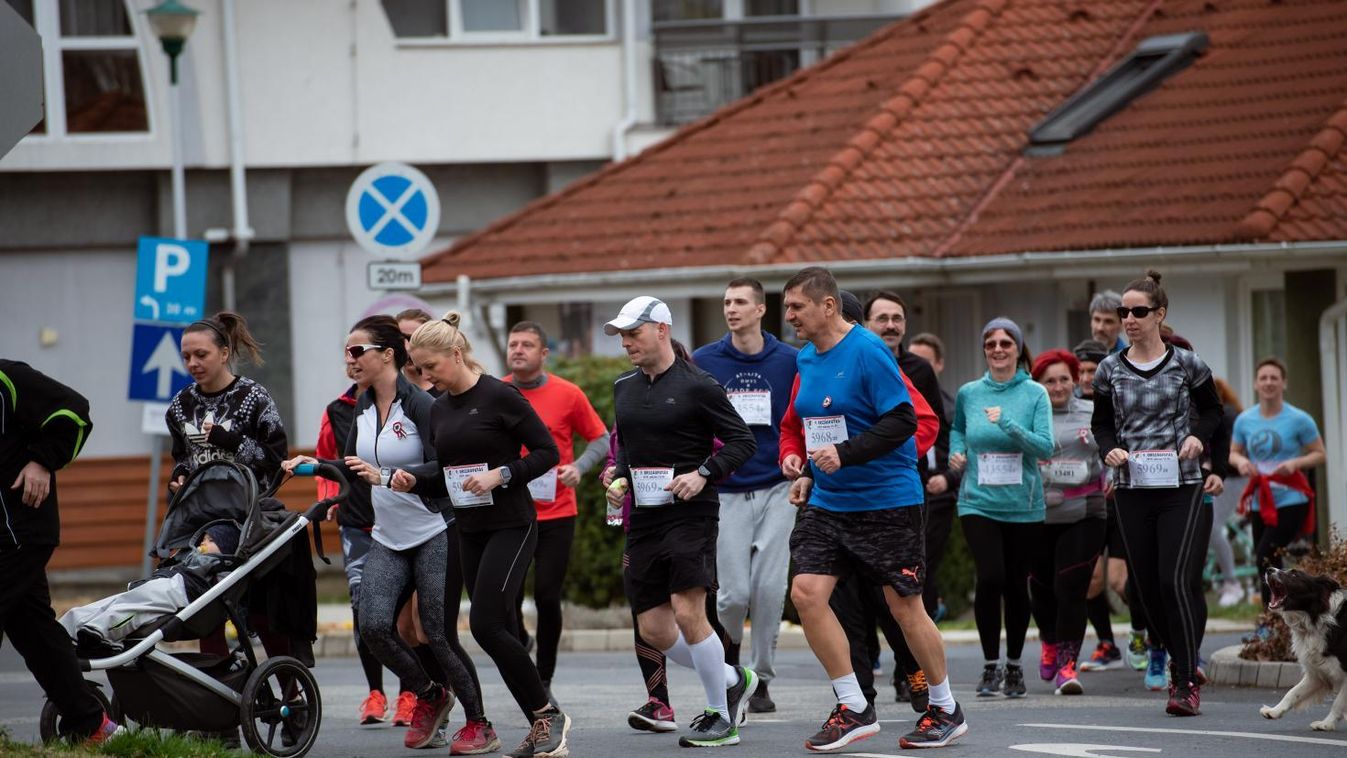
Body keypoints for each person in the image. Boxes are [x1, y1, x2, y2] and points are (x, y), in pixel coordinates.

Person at [285, 315, 493, 754]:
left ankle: (479, 724)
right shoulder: (361, 405)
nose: (350, 359)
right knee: (374, 626)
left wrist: (399, 475)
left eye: (357, 351)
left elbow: (445, 469)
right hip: (388, 536)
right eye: (346, 352)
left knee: (437, 632)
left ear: (387, 355)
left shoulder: (421, 405)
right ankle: (430, 695)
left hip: (435, 530)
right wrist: (314, 466)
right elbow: (359, 466)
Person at [782, 267, 965, 751]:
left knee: (904, 608)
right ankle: (854, 705)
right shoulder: (806, 358)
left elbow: (904, 419)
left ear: (827, 306)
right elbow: (816, 428)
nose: (789, 317)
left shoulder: (868, 351)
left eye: (796, 307)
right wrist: (804, 471)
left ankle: (945, 706)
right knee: (806, 593)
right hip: (829, 502)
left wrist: (845, 454)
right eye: (787, 308)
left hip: (887, 502)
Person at [397, 312, 570, 758]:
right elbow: (447, 472)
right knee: (495, 628)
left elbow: (547, 452)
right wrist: (411, 478)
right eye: (418, 369)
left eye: (431, 366)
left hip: (512, 523)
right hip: (468, 527)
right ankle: (541, 721)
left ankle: (547, 715)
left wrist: (503, 475)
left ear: (456, 354)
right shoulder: (438, 409)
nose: (426, 376)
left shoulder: (500, 396)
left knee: (486, 625)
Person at [602, 296, 758, 748]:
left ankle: (719, 715)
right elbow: (628, 445)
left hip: (692, 512)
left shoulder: (698, 384)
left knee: (689, 611)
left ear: (662, 330)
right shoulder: (623, 386)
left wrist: (703, 473)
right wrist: (621, 477)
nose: (627, 342)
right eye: (623, 336)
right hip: (645, 517)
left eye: (634, 333)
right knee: (653, 628)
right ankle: (733, 677)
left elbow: (742, 441)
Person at [1091, 270, 1223, 716]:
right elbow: (1102, 424)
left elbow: (1213, 411)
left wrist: (1198, 439)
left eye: (1138, 312)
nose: (1128, 319)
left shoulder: (1187, 363)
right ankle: (1181, 657)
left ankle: (1183, 679)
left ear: (1159, 315)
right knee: (1144, 590)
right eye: (1122, 312)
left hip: (1181, 486)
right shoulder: (1110, 370)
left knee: (1173, 580)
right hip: (1131, 487)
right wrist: (1109, 449)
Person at [692, 278, 798, 714]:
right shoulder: (705, 360)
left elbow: (803, 415)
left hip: (777, 486)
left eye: (740, 302)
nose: (731, 309)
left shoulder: (791, 360)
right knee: (732, 594)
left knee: (770, 589)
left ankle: (763, 678)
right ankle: (734, 662)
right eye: (726, 302)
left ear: (760, 310)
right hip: (728, 489)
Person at [0, 359, 119, 745]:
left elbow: (73, 411)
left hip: (21, 530)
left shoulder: (8, 378)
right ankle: (92, 725)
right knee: (33, 630)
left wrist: (41, 460)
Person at [502, 320, 611, 701]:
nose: (518, 350)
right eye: (513, 344)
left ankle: (543, 676)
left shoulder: (567, 394)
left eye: (527, 345)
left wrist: (578, 468)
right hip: (508, 514)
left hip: (556, 512)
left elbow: (600, 437)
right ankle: (521, 638)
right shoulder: (496, 393)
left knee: (547, 595)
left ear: (544, 353)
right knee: (505, 600)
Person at [948, 317, 1053, 699]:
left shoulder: (1035, 394)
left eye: (1005, 343)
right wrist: (958, 452)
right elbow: (958, 428)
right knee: (990, 577)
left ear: (1017, 349)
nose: (997, 349)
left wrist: (1009, 424)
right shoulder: (970, 393)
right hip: (977, 500)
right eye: (990, 343)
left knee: (1015, 584)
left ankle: (1014, 665)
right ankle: (990, 666)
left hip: (1023, 504)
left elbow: (1044, 447)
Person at [1027, 350, 1106, 696]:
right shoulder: (1029, 414)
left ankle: (1067, 665)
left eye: (1064, 379)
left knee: (1071, 587)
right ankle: (1049, 641)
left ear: (1075, 380)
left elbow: (1112, 449)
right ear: (1038, 384)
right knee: (1041, 588)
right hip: (1037, 515)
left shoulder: (1092, 412)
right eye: (1050, 381)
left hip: (1085, 512)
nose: (1058, 386)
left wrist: (1114, 472)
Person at [1230, 357, 1325, 610]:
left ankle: (1272, 618)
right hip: (1262, 500)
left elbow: (1320, 453)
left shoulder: (1299, 419)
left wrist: (1295, 464)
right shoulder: (1245, 420)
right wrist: (1240, 462)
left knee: (1265, 556)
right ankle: (1278, 618)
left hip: (1292, 498)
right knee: (1267, 559)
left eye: (1274, 378)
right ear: (1255, 384)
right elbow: (1233, 452)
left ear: (1284, 383)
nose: (1269, 382)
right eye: (1263, 378)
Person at [1071, 338, 1139, 672]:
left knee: (1118, 579)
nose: (1085, 377)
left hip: (1120, 501)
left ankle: (1145, 630)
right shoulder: (1066, 407)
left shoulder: (1120, 400)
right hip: (1085, 504)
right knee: (1092, 579)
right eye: (1080, 371)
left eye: (1091, 370)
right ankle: (1107, 643)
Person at [60, 522, 241, 647]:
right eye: (204, 539)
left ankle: (99, 631)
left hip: (182, 591)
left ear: (226, 550)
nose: (203, 542)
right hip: (169, 582)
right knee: (119, 600)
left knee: (135, 608)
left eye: (211, 540)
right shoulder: (196, 557)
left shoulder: (221, 568)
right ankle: (69, 625)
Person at [167, 312, 288, 496]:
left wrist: (230, 441)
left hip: (248, 512)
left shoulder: (254, 396)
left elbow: (277, 459)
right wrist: (180, 474)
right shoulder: (179, 405)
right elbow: (182, 457)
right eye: (186, 357)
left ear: (224, 354)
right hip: (198, 511)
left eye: (201, 354)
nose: (192, 363)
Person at [907, 332, 961, 626]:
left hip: (937, 494)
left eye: (924, 362)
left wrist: (949, 478)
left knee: (923, 566)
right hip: (905, 491)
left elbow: (962, 452)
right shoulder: (894, 400)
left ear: (938, 365)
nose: (918, 368)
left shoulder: (949, 407)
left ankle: (925, 631)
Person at [1209, 377, 1248, 608]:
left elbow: (1231, 449)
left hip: (1234, 478)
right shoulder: (1218, 413)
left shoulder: (1228, 414)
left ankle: (1232, 582)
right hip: (1223, 477)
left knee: (1213, 526)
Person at [396, 308, 437, 392]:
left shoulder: (451, 389)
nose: (407, 348)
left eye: (414, 339)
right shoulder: (387, 392)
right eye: (400, 340)